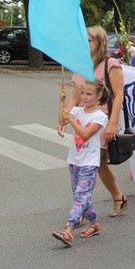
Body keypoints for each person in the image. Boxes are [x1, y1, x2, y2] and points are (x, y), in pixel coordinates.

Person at [67, 26, 128, 218]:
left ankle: (87, 205)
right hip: (83, 120)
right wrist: (64, 116)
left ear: (100, 42)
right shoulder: (79, 65)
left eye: (89, 41)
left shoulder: (110, 64)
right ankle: (115, 197)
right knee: (93, 163)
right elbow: (75, 96)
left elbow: (119, 95)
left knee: (95, 162)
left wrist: (112, 123)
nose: (85, 44)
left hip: (102, 119)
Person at [52, 80, 109, 246]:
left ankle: (69, 229)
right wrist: (62, 101)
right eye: (82, 93)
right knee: (82, 195)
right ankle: (94, 224)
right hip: (75, 159)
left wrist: (72, 120)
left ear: (98, 96)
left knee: (81, 195)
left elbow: (85, 135)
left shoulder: (100, 116)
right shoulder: (77, 111)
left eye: (89, 94)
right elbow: (62, 121)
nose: (84, 97)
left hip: (90, 162)